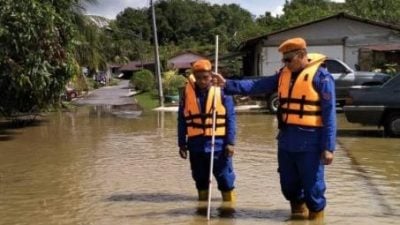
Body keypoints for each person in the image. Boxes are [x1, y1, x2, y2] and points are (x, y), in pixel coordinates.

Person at [213, 37, 336, 221]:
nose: (285, 63)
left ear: (302, 55)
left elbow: (330, 115)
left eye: (289, 59)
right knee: (288, 186)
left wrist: (328, 147)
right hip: (286, 141)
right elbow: (256, 85)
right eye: (283, 60)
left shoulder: (321, 77)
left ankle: (316, 219)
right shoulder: (283, 75)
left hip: (311, 143)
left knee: (314, 189)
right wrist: (227, 84)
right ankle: (298, 216)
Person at [178, 59, 237, 203]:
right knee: (200, 179)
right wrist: (181, 144)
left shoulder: (222, 91)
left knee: (225, 179)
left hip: (218, 145)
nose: (202, 81)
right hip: (196, 145)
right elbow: (182, 120)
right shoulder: (187, 94)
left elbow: (231, 118)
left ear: (211, 75)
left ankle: (229, 210)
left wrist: (230, 142)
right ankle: (202, 209)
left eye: (205, 77)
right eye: (198, 78)